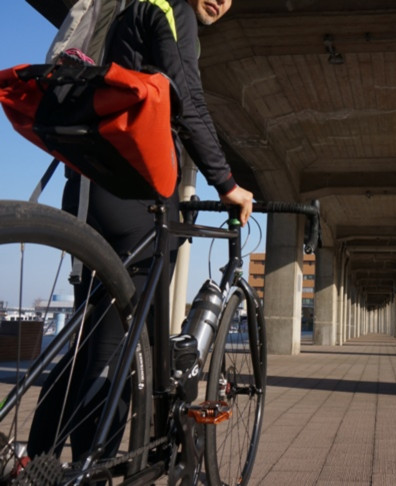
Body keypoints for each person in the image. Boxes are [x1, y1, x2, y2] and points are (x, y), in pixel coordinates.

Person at [27, 0, 252, 463]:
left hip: (88, 181)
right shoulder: (173, 12)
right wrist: (227, 184)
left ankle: (39, 460)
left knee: (91, 338)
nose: (222, 0)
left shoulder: (125, 8)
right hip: (134, 189)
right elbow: (187, 103)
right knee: (119, 350)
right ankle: (93, 467)